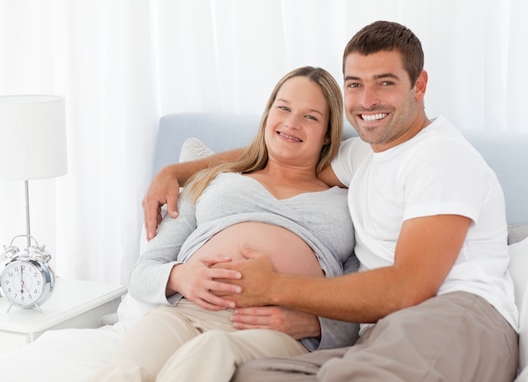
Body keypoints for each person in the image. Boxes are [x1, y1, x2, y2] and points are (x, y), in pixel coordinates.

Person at [143, 21, 519, 382]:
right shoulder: (363, 157)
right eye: (355, 84)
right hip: (380, 334)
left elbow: (408, 288)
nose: (367, 100)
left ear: (419, 85)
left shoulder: (440, 157)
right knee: (244, 372)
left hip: (453, 315)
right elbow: (283, 151)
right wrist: (177, 172)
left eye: (385, 83)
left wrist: (273, 287)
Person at [92, 66, 359, 382]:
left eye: (310, 117)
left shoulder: (347, 202)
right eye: (283, 108)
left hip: (271, 328)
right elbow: (143, 271)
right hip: (186, 312)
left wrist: (316, 324)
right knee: (129, 366)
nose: (291, 122)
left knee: (213, 348)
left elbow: (361, 300)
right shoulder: (213, 181)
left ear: (329, 133)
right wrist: (182, 277)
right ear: (268, 114)